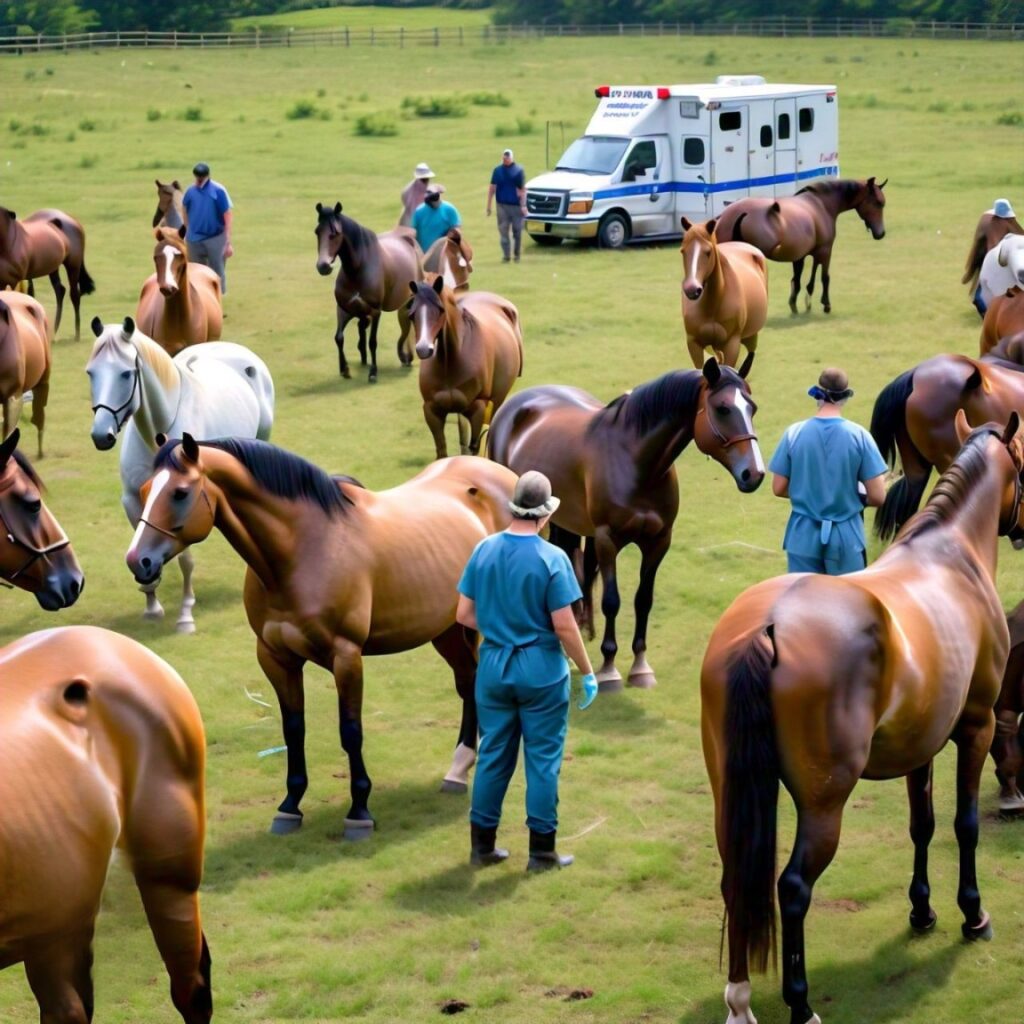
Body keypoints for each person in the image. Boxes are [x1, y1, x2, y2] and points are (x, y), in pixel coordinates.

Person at [456, 471, 598, 872]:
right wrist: (586, 671)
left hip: (495, 667)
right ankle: (541, 852)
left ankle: (482, 847)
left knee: (493, 756)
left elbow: (463, 614)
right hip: (541, 672)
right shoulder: (552, 559)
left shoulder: (483, 550)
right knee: (542, 759)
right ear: (545, 515)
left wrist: (501, 627)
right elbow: (565, 625)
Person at [768, 368, 888, 576]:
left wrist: (807, 491)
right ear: (845, 396)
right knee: (846, 605)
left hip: (802, 536)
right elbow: (878, 496)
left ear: (817, 394)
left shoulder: (793, 434)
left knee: (803, 606)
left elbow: (778, 488)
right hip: (846, 539)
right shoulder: (859, 436)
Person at [181, 162, 233, 294]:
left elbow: (227, 214)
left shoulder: (218, 191)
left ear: (207, 176)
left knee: (217, 272)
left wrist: (227, 241)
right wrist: (187, 230)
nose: (199, 180)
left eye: (201, 177)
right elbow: (184, 209)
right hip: (194, 239)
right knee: (196, 272)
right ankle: (200, 300)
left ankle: (218, 302)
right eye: (197, 177)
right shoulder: (190, 192)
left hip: (215, 237)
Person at [486, 148, 527, 263]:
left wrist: (523, 206)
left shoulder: (518, 171)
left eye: (507, 157)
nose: (506, 159)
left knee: (517, 231)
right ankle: (506, 255)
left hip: (516, 206)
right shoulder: (497, 171)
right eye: (504, 158)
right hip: (502, 205)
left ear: (511, 158)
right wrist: (489, 206)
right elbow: (492, 188)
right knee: (503, 231)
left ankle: (517, 255)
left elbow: (522, 189)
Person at [411, 183, 461, 253]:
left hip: (445, 252)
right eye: (433, 200)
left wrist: (451, 234)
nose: (436, 202)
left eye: (437, 198)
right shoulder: (418, 212)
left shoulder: (449, 209)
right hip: (423, 253)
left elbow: (457, 228)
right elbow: (411, 231)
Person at [400, 161, 435, 228]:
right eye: (424, 179)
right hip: (410, 221)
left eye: (427, 178)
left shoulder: (430, 189)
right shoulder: (408, 191)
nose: (426, 181)